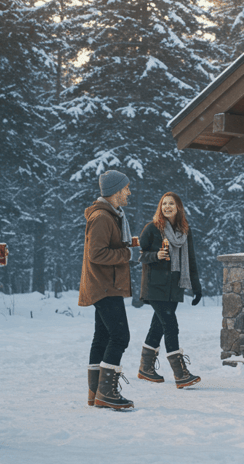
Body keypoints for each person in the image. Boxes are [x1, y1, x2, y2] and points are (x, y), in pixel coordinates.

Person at [78, 170, 141, 410]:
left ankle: (96, 393)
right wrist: (126, 253)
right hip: (104, 285)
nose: (129, 192)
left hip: (104, 283)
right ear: (115, 191)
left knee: (103, 336)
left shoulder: (110, 215)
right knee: (120, 336)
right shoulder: (103, 218)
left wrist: (125, 246)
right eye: (126, 188)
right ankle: (107, 392)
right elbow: (97, 253)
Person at [135, 192, 202, 389]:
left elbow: (191, 260)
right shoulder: (152, 228)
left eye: (171, 203)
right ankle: (180, 374)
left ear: (178, 207)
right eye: (164, 203)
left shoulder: (184, 231)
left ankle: (145, 368)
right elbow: (139, 254)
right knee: (171, 327)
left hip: (174, 288)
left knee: (158, 327)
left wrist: (196, 288)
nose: (167, 206)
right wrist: (155, 255)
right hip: (155, 287)